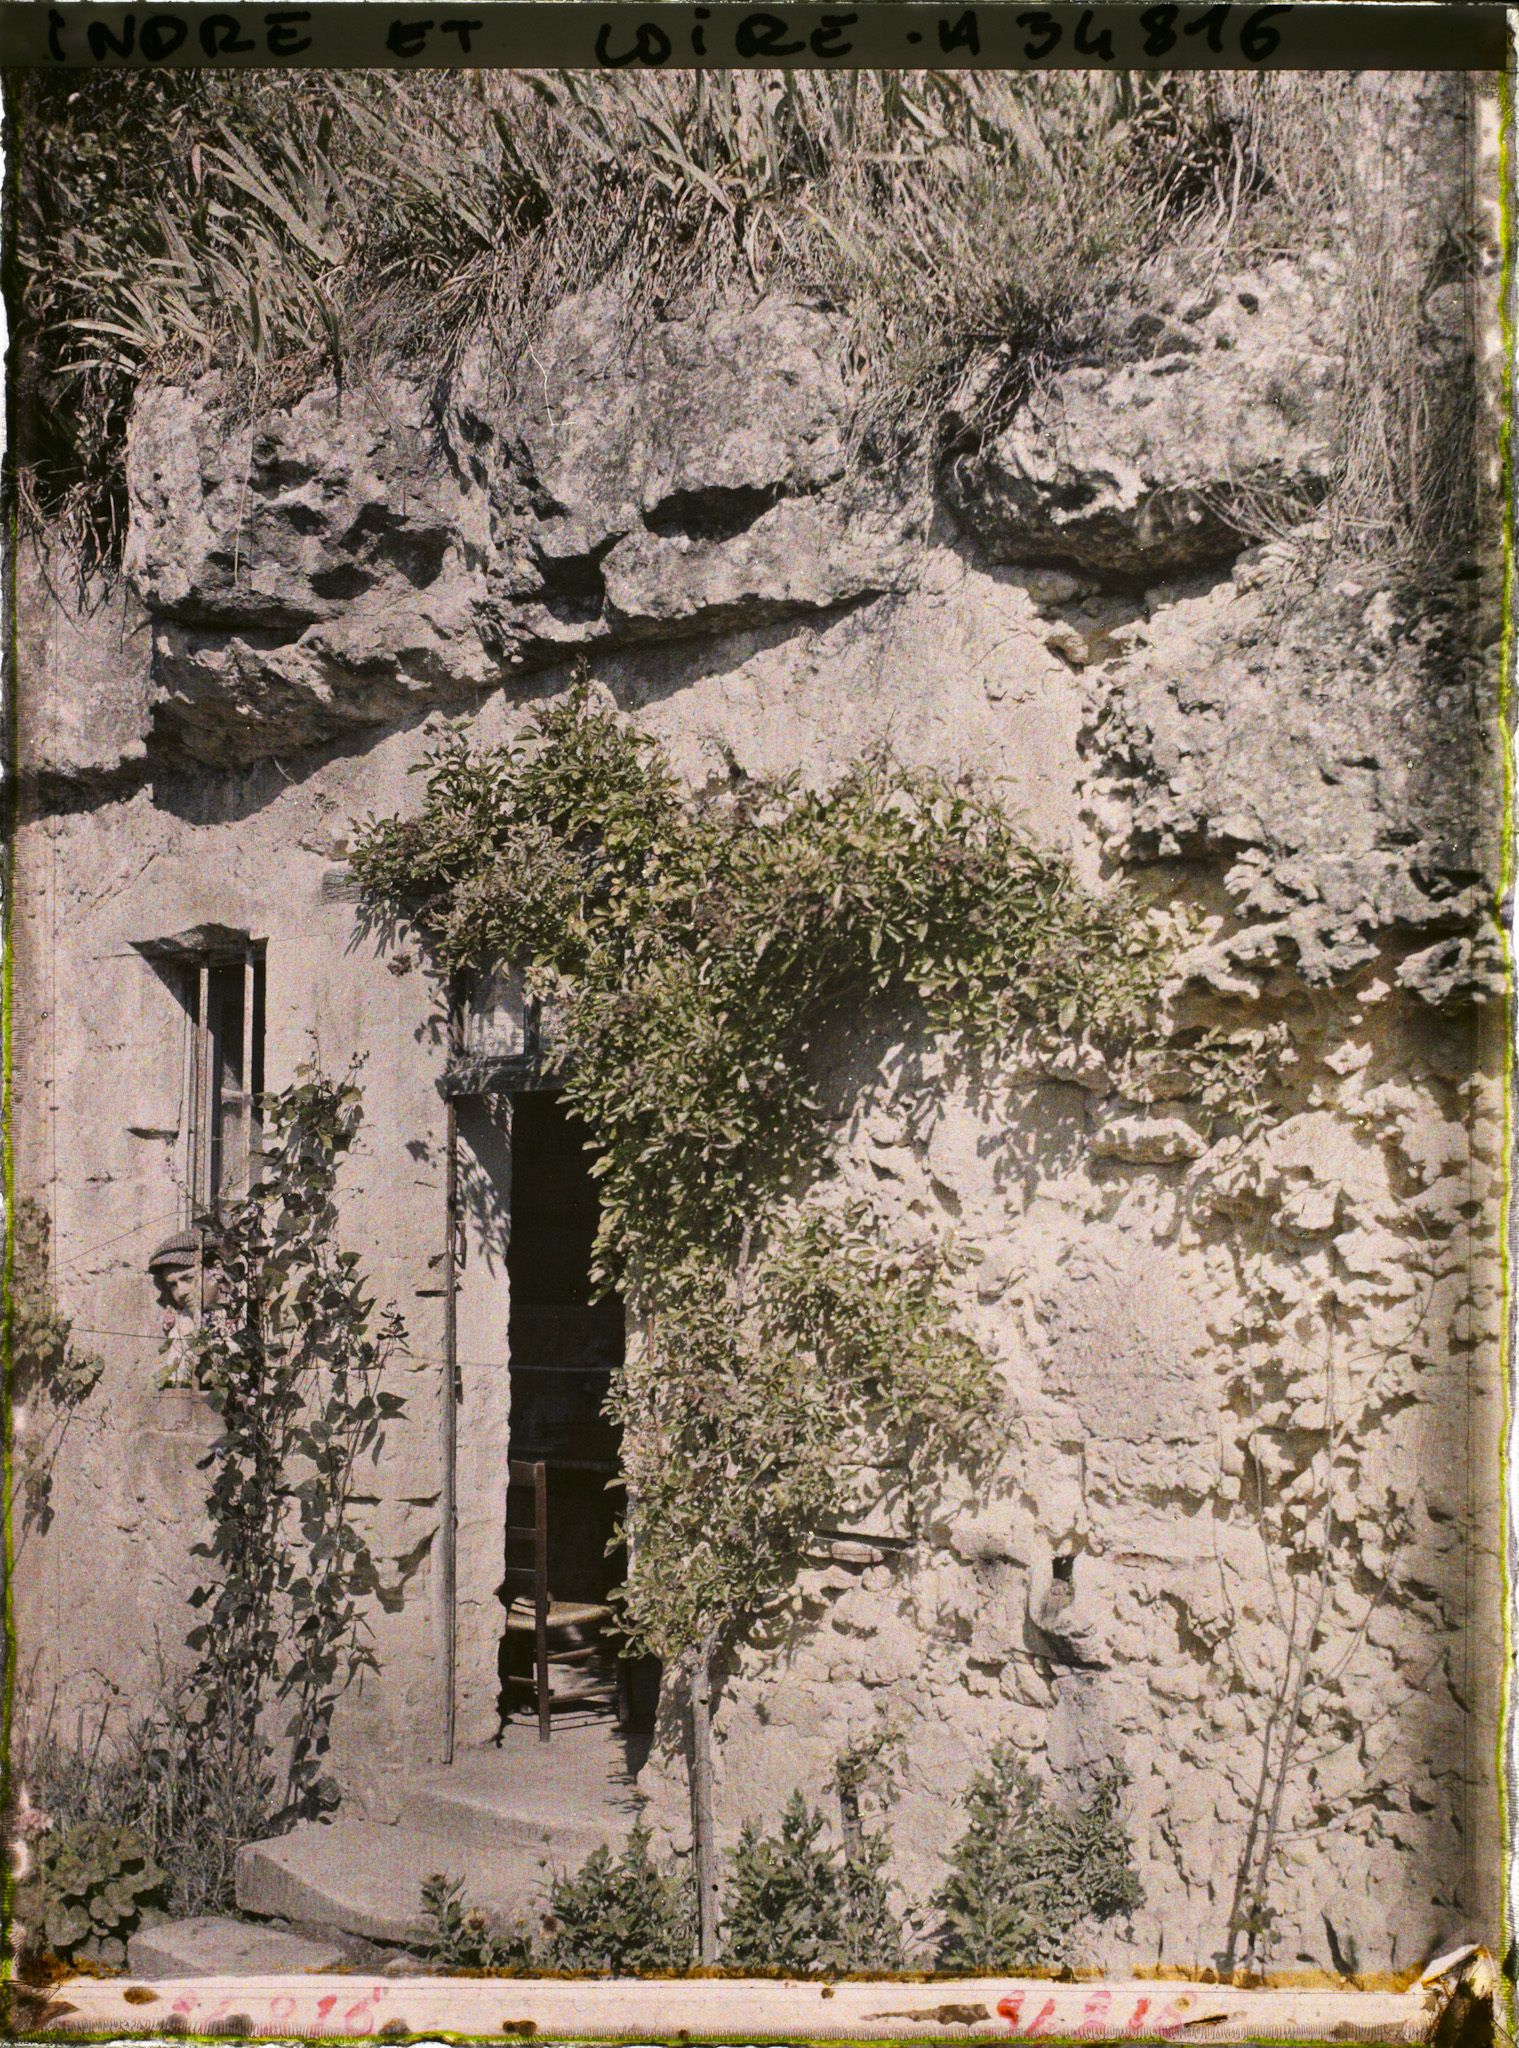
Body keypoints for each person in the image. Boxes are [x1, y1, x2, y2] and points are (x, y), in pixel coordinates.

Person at [147, 1222, 226, 1388]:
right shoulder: (183, 1325)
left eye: (188, 1278)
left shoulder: (241, 1314)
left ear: (216, 1271)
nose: (181, 1292)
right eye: (172, 1285)